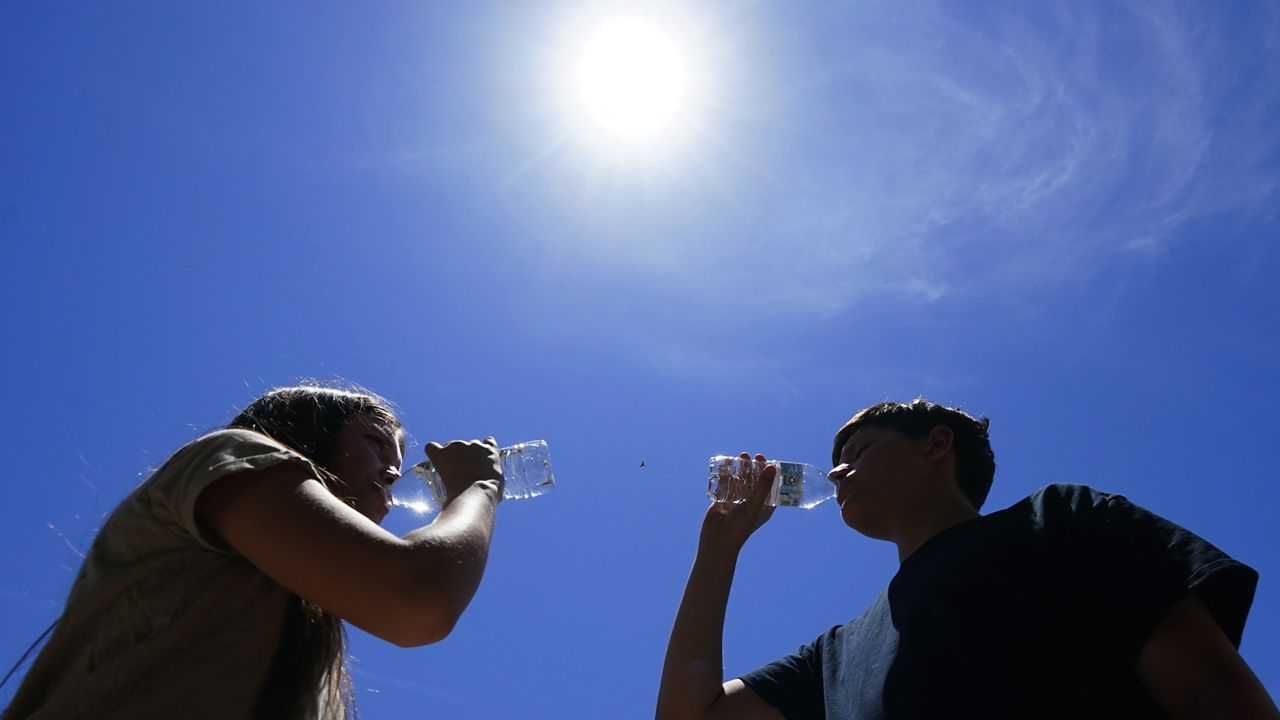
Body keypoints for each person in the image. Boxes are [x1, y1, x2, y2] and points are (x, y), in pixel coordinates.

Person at [657, 399, 1278, 719]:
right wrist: (720, 547)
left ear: (936, 445)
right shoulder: (834, 657)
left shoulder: (1059, 519)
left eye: (861, 448)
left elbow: (1209, 693)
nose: (837, 471)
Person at [2, 384, 508, 720]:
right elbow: (418, 598)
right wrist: (478, 487)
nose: (393, 471)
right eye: (377, 443)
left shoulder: (304, 621)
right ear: (309, 433)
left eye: (397, 461)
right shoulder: (232, 455)